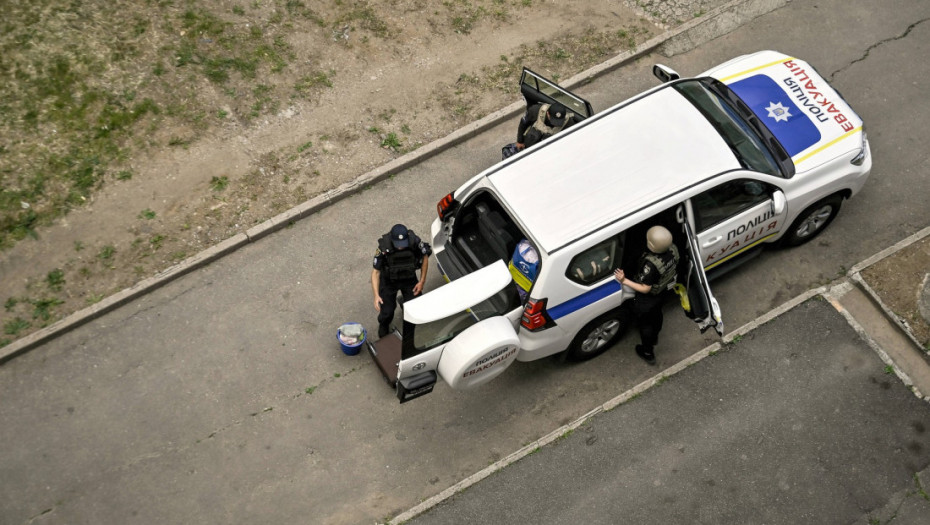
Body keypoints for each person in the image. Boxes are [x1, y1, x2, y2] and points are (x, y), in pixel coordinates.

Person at [613, 226, 680, 365]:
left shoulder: (651, 266)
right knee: (657, 315)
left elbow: (645, 288)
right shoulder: (673, 249)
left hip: (648, 298)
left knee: (646, 324)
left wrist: (624, 280)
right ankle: (654, 335)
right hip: (662, 291)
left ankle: (648, 352)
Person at [372, 224, 431, 338]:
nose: (400, 247)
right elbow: (375, 272)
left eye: (403, 244)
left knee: (414, 307)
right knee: (387, 311)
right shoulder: (384, 246)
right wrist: (376, 295)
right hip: (389, 281)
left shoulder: (414, 242)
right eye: (398, 245)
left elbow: (425, 256)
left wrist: (422, 281)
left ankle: (408, 331)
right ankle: (384, 325)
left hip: (408, 279)